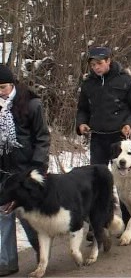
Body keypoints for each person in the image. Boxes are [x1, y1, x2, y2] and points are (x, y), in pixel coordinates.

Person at [76, 46, 131, 233]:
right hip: (98, 138)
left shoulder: (124, 80)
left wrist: (130, 125)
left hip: (119, 140)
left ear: (109, 60)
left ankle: (127, 221)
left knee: (122, 181)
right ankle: (98, 224)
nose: (96, 68)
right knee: (98, 182)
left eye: (99, 63)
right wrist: (82, 123)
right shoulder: (88, 84)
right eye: (93, 65)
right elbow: (82, 108)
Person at [0, 64, 50, 276]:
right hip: (3, 170)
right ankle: (7, 262)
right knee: (3, 215)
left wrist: (37, 167)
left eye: (2, 87)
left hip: (25, 169)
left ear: (12, 84)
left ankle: (42, 252)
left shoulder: (31, 104)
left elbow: (42, 138)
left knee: (28, 217)